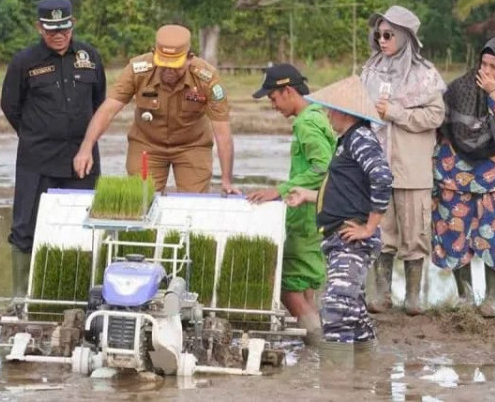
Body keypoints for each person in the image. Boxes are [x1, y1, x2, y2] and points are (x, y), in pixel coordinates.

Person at [1, 0, 106, 305]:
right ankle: (22, 296)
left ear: (73, 24)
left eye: (64, 28)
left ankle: (75, 295)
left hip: (81, 159)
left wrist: (85, 143)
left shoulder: (90, 57)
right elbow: (10, 106)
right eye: (51, 30)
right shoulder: (25, 61)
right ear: (39, 28)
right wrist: (36, 134)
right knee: (26, 225)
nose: (59, 35)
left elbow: (100, 103)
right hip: (37, 159)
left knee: (83, 226)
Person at [285, 75, 393, 363]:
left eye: (331, 109)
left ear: (345, 112)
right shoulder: (346, 141)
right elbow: (343, 187)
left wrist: (369, 227)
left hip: (351, 238)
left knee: (335, 307)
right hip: (339, 237)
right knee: (352, 311)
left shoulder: (360, 138)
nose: (328, 114)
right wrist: (308, 195)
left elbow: (382, 177)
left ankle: (336, 379)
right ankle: (367, 368)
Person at [73, 24, 240, 195]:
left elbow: (222, 132)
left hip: (192, 145)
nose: (169, 71)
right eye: (163, 64)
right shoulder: (138, 70)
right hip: (147, 144)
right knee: (141, 199)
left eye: (175, 66)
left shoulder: (207, 78)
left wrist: (226, 180)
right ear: (154, 54)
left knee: (192, 201)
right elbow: (107, 110)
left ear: (189, 58)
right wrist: (86, 147)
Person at [361, 5, 446, 316]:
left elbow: (436, 116)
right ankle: (382, 295)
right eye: (378, 35)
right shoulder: (370, 71)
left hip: (412, 169)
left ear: (405, 36)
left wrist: (395, 112)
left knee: (415, 233)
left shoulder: (426, 75)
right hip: (376, 167)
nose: (382, 41)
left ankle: (413, 297)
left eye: (388, 35)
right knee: (381, 232)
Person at [247, 64, 336, 345]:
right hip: (315, 211)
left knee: (286, 284)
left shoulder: (306, 124)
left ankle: (319, 343)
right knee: (304, 280)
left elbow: (322, 167)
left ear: (288, 91)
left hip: (306, 213)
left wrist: (279, 190)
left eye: (273, 98)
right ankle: (314, 347)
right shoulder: (316, 116)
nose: (273, 105)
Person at [432, 37, 495, 318]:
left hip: (494, 178)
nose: (487, 71)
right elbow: (443, 127)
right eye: (484, 64)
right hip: (456, 174)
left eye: (494, 66)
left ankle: (491, 299)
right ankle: (465, 296)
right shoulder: (460, 87)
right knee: (454, 232)